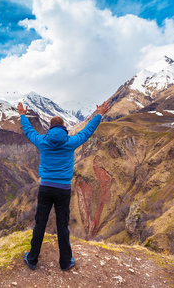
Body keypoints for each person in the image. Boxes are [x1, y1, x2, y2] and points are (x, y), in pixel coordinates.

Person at [17, 101, 110, 271]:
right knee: (62, 225)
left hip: (45, 188)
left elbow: (29, 131)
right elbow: (87, 131)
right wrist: (99, 115)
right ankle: (65, 262)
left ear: (50, 128)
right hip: (63, 190)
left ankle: (32, 259)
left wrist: (22, 115)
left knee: (40, 224)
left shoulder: (42, 141)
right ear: (63, 127)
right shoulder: (71, 142)